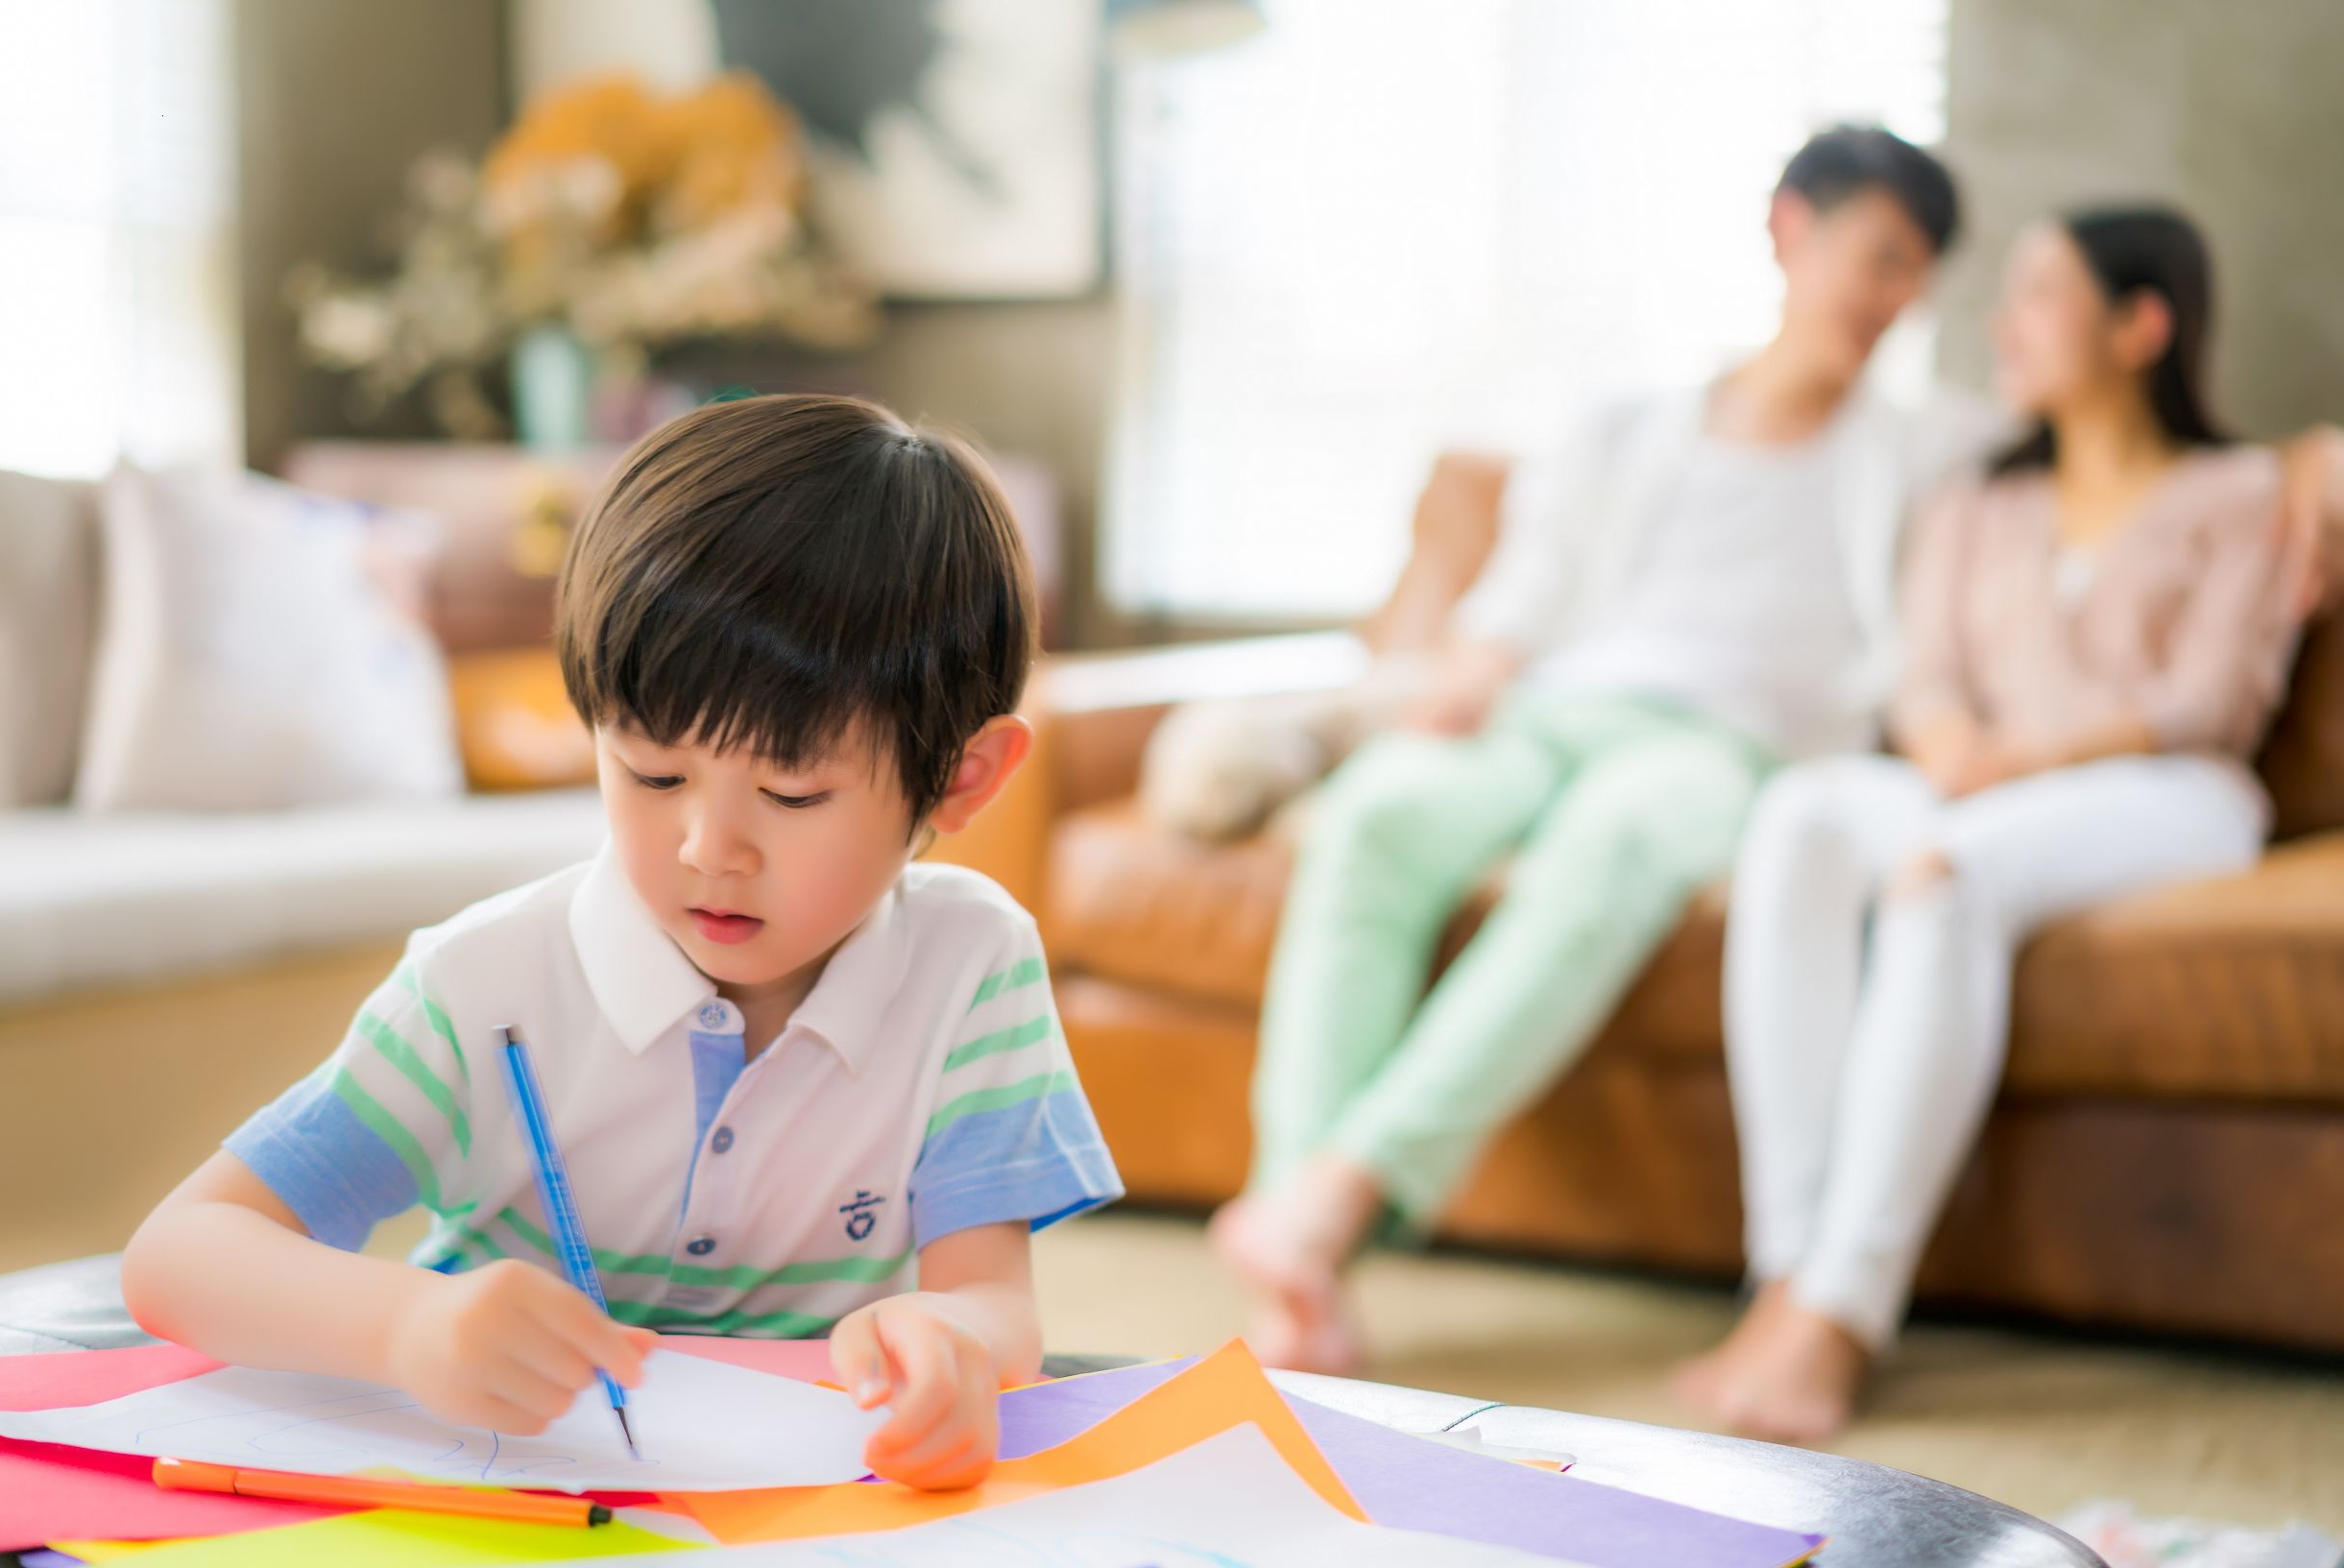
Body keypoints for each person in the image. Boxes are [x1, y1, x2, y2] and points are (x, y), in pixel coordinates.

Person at [121, 394, 1124, 1491]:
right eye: (652, 772)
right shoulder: (483, 982)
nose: (710, 848)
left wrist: (952, 1340)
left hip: (787, 1506)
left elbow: (993, 1301)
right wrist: (408, 1327)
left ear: (962, 777)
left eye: (793, 793)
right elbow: (180, 1253)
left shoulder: (973, 964)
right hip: (505, 1492)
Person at [1210, 127, 2006, 1375]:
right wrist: (1474, 666)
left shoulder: (1929, 446)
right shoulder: (1627, 428)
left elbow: (2106, 444)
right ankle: (1297, 1244)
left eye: (1917, 275)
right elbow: (1528, 588)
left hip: (1725, 749)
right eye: (1879, 256)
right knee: (1376, 814)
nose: (1893, 298)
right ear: (1790, 230)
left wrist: (2311, 471)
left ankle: (1343, 1191)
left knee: (1611, 848)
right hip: (1553, 712)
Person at [1674, 206, 2302, 1442]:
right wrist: (1954, 745)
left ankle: (1844, 1312)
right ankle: (1787, 1268)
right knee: (1802, 813)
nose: (2002, 323)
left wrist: (2030, 758)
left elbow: (2211, 698)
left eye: (2041, 294)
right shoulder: (1977, 496)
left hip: (2172, 789)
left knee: (1942, 871)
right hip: (1987, 777)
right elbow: (1924, 675)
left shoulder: (2241, 492)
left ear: (2140, 324)